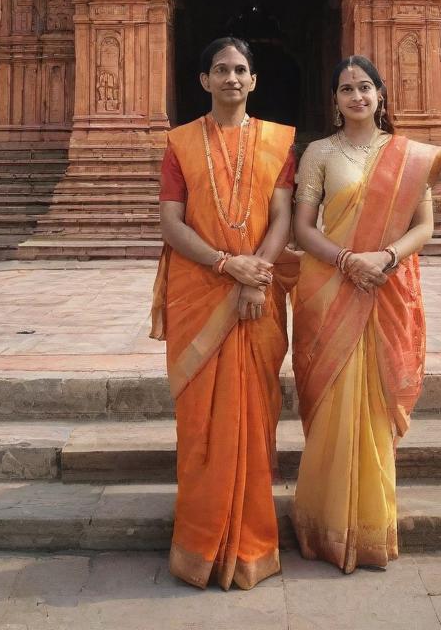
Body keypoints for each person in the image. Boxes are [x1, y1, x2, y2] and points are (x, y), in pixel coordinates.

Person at [150, 36, 296, 591]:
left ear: (253, 81)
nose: (231, 78)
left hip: (258, 290)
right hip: (200, 290)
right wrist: (225, 265)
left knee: (253, 419)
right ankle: (199, 547)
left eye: (240, 70)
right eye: (220, 69)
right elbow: (171, 222)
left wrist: (257, 271)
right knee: (201, 427)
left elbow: (282, 216)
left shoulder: (280, 143)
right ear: (204, 81)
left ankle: (252, 546)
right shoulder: (180, 143)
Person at [290, 54, 441, 573]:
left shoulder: (407, 156)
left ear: (381, 95)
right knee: (333, 399)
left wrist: (383, 257)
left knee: (374, 405)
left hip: (386, 286)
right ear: (334, 100)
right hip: (329, 287)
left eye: (365, 87)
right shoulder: (318, 154)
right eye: (346, 89)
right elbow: (302, 228)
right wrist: (345, 259)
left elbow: (425, 225)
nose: (357, 96)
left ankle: (372, 524)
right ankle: (324, 522)